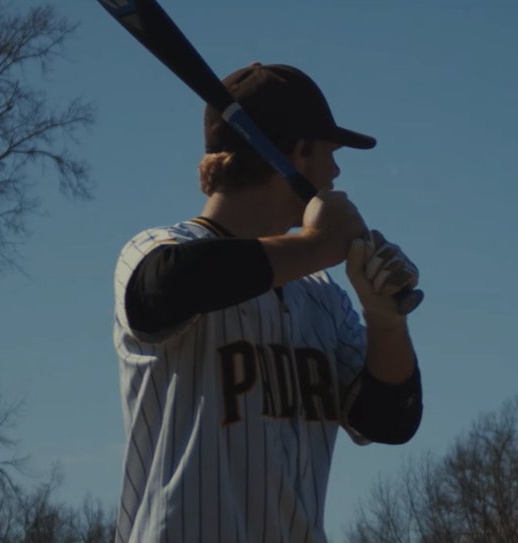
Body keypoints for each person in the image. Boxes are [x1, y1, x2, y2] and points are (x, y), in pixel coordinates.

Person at [111, 62, 424, 542]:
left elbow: (388, 420)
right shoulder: (156, 249)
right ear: (298, 154)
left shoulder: (322, 297)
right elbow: (163, 288)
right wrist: (321, 243)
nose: (336, 172)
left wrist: (384, 320)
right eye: (329, 153)